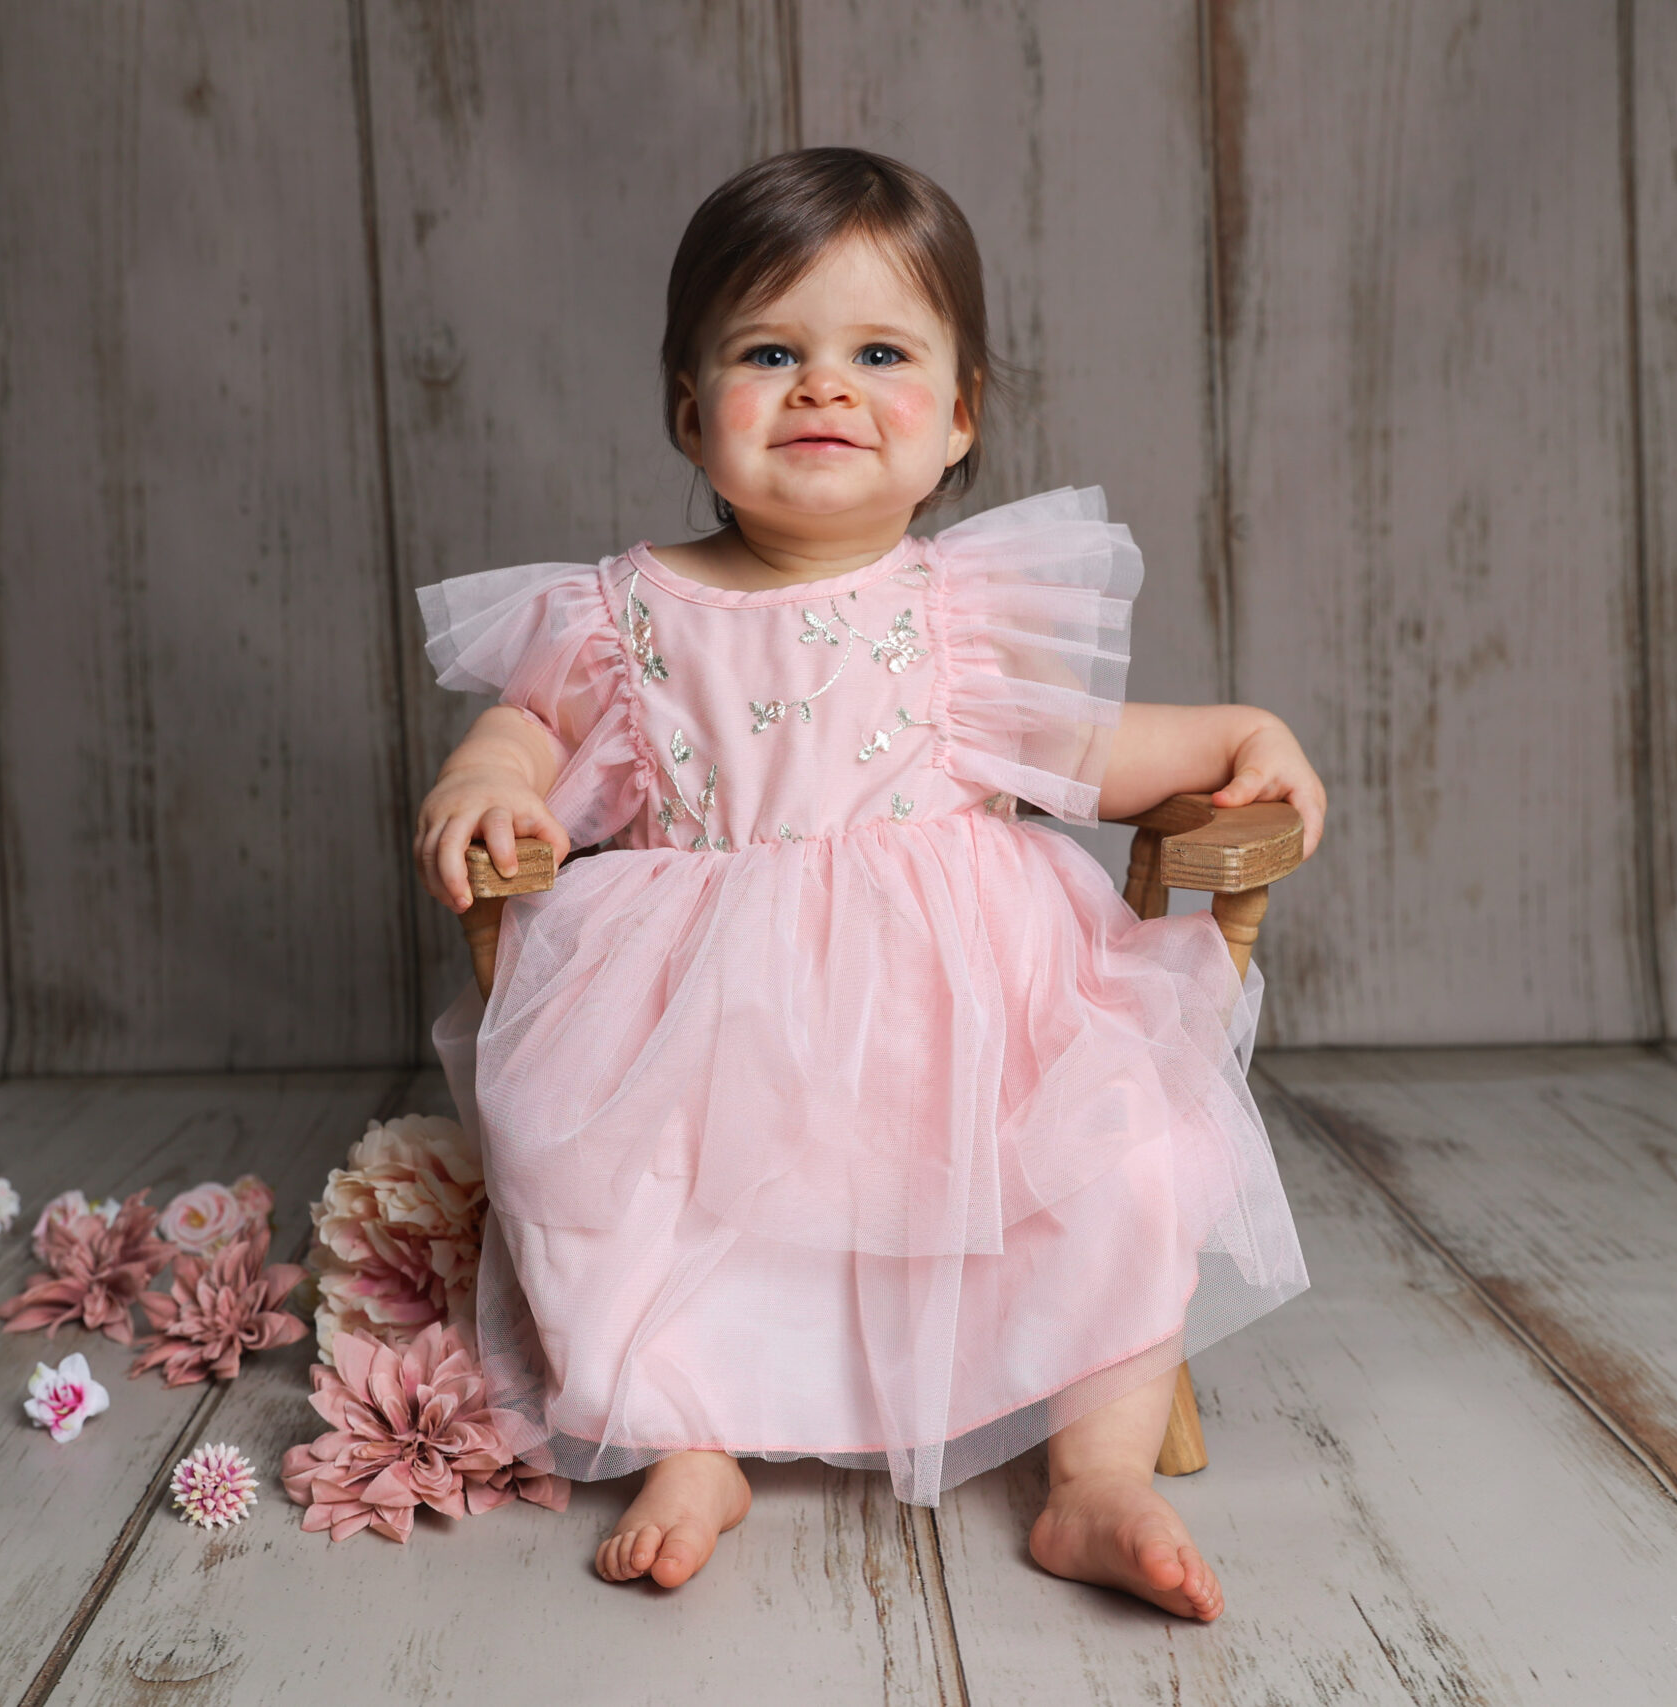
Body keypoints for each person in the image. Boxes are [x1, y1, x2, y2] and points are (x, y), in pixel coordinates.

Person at [412, 147, 1321, 1621]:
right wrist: (491, 775)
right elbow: (532, 724)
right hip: (699, 1020)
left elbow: (1091, 749)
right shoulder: (623, 612)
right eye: (771, 353)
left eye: (879, 355)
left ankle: (1096, 1479)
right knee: (599, 1178)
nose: (824, 388)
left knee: (1124, 1167)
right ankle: (687, 1438)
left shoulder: (955, 609)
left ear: (956, 417)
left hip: (955, 1026)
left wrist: (1233, 734)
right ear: (690, 410)